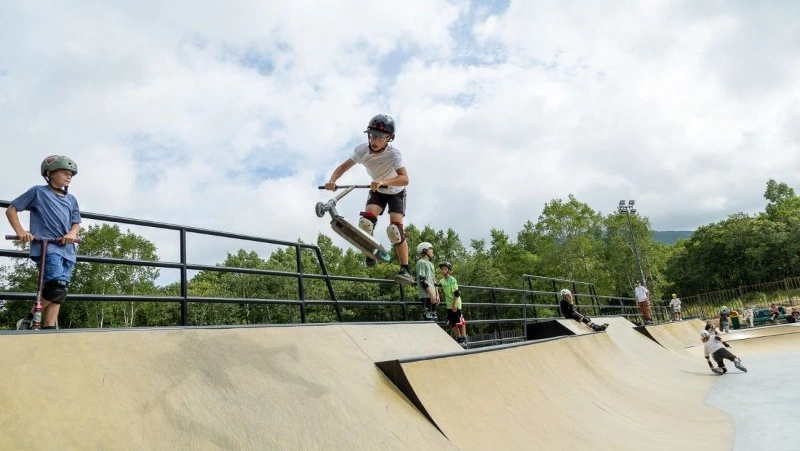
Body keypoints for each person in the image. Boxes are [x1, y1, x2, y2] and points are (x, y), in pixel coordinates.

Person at [324, 114, 413, 285]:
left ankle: (405, 270)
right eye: (372, 135)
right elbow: (343, 167)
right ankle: (370, 252)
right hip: (377, 190)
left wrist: (383, 181)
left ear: (389, 138)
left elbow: (405, 179)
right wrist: (332, 181)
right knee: (366, 222)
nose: (375, 140)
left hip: (396, 191)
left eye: (380, 137)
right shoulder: (362, 150)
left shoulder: (394, 154)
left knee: (395, 230)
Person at [6, 155, 81, 330]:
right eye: (64, 172)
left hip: (68, 250)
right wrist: (21, 232)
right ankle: (29, 317)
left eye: (71, 174)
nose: (69, 176)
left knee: (58, 294)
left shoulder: (71, 199)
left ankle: (47, 330)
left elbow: (76, 223)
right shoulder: (38, 192)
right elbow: (11, 210)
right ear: (49, 173)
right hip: (48, 247)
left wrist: (71, 233)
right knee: (57, 286)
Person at [438, 261, 467, 347]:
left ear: (449, 270)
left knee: (460, 321)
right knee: (451, 322)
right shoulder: (442, 281)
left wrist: (454, 305)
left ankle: (464, 338)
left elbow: (457, 293)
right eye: (442, 269)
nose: (443, 270)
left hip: (456, 303)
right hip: (448, 304)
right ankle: (459, 338)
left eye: (445, 269)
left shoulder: (452, 280)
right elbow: (438, 286)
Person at [415, 242, 440, 320]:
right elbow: (422, 279)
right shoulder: (421, 262)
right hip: (426, 295)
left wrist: (437, 294)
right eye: (430, 249)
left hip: (433, 295)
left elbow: (434, 280)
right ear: (425, 250)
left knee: (435, 318)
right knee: (428, 319)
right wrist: (431, 294)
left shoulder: (431, 264)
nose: (432, 251)